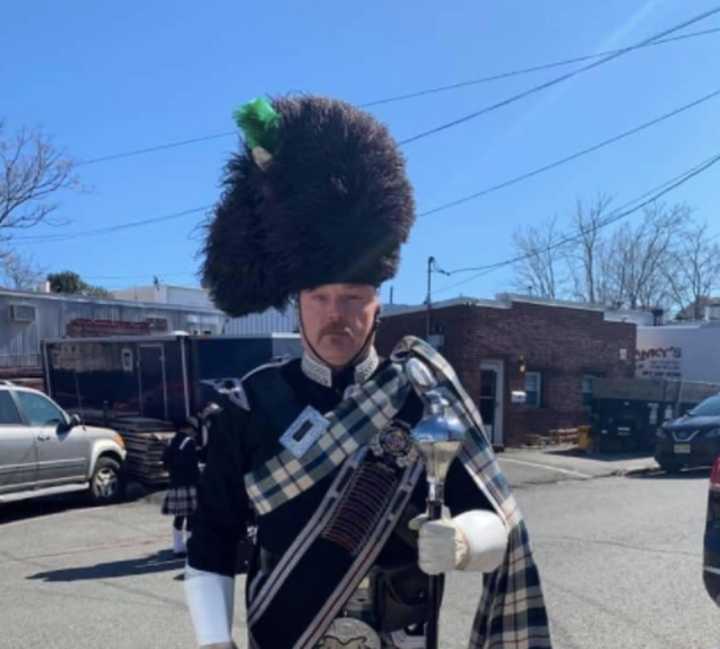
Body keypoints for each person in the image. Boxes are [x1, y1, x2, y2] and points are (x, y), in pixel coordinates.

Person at [185, 95, 552, 649]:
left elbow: (495, 522)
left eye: (353, 297)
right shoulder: (250, 404)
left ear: (378, 306)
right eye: (320, 297)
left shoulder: (422, 398)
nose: (336, 314)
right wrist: (215, 643)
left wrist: (461, 542)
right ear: (297, 303)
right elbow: (212, 538)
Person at [162, 426, 201, 556]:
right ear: (188, 429)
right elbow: (192, 465)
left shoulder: (172, 441)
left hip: (175, 483)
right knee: (192, 516)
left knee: (179, 516)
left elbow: (165, 461)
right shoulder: (189, 442)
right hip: (189, 484)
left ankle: (178, 546)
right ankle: (191, 545)